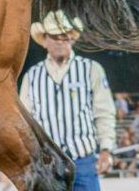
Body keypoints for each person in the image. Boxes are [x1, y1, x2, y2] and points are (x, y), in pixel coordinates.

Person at [18, 11, 116, 191]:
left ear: (72, 39)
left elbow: (104, 112)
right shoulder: (32, 76)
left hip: (83, 160)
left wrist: (106, 149)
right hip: (47, 164)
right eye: (55, 36)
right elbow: (24, 121)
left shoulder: (91, 69)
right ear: (45, 40)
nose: (60, 41)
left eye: (64, 36)